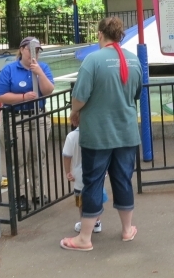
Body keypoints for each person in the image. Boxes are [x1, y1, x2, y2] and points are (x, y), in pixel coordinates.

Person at [60, 16, 143, 251]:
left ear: (100, 34)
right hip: (126, 132)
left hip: (97, 134)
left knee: (93, 182)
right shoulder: (134, 60)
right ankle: (127, 230)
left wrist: (75, 112)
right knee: (123, 180)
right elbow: (136, 94)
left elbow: (80, 96)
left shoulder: (92, 61)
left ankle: (85, 238)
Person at [0, 36, 55, 212]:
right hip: (17, 119)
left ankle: (38, 192)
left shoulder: (43, 68)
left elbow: (48, 90)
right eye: (30, 49)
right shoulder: (9, 69)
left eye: (37, 50)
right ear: (22, 50)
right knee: (18, 158)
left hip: (38, 117)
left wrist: (39, 73)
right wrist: (22, 98)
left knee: (38, 156)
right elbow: (1, 95)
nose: (33, 54)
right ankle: (19, 196)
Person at [62, 126, 103, 234]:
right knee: (96, 195)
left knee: (80, 200)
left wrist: (68, 172)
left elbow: (67, 156)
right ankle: (97, 221)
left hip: (78, 174)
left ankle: (84, 222)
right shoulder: (97, 132)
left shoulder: (71, 136)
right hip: (97, 171)